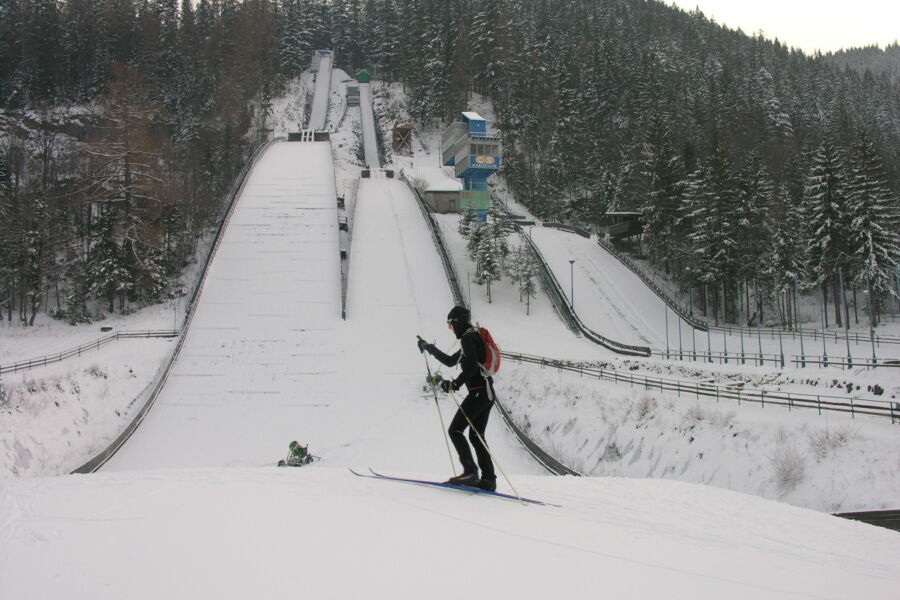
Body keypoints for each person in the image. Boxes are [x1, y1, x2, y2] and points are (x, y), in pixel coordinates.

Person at [417, 305, 496, 492]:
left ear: (457, 321)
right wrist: (429, 348)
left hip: (478, 392)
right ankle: (489, 480)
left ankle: (470, 472)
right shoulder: (471, 337)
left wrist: (455, 384)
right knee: (477, 436)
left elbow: (471, 369)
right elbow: (451, 361)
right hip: (486, 393)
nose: (450, 328)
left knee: (455, 430)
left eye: (450, 324)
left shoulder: (469, 338)